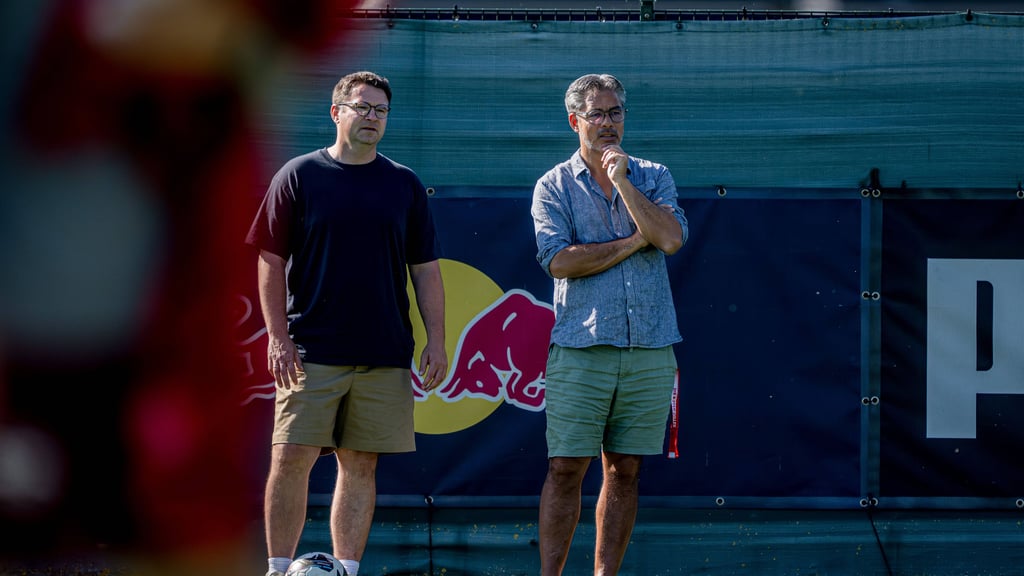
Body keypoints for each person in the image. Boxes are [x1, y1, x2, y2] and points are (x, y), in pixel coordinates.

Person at [245, 71, 447, 576]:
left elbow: (425, 270)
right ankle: (276, 569)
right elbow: (270, 261)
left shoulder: (404, 184)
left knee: (360, 465)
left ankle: (346, 571)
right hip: (309, 350)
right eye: (362, 107)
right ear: (337, 113)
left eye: (381, 111)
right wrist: (277, 336)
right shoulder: (298, 175)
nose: (372, 118)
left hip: (384, 352)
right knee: (291, 458)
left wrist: (437, 340)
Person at [531, 73, 689, 575]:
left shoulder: (653, 174)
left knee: (625, 471)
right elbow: (559, 262)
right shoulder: (552, 185)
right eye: (596, 114)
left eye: (615, 113)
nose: (607, 124)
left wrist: (623, 182)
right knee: (565, 469)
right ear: (574, 120)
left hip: (650, 347)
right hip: (582, 348)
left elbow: (669, 239)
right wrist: (633, 241)